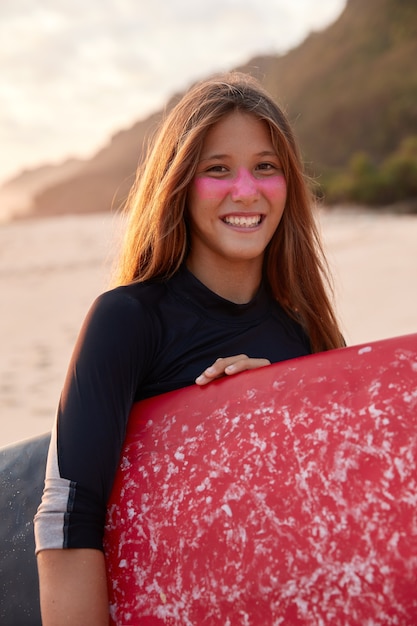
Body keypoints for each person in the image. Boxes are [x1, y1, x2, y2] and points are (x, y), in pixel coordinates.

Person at [34, 71, 345, 624]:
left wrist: (276, 402)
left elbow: (330, 508)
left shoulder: (303, 334)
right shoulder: (128, 320)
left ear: (288, 183)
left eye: (266, 167)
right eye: (217, 169)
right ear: (179, 182)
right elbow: (68, 516)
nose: (245, 190)